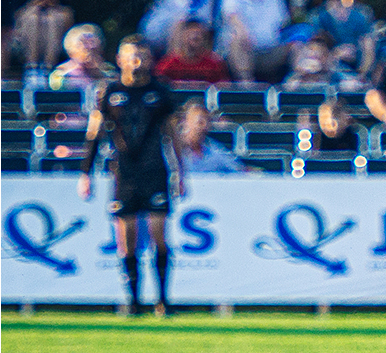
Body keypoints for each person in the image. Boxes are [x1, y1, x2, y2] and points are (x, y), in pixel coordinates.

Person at [77, 37, 182, 317]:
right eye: (131, 56)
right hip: (124, 172)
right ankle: (133, 300)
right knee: (127, 238)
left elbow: (172, 135)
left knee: (159, 234)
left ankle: (163, 299)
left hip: (154, 170)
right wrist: (85, 174)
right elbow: (95, 133)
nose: (137, 61)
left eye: (142, 56)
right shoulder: (109, 91)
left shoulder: (160, 91)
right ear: (120, 59)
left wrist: (180, 172)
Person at [217, 0, 291, 84]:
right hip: (243, 51)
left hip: (269, 50)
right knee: (238, 39)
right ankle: (247, 85)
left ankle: (295, 83)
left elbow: (282, 23)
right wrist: (243, 32)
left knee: (297, 45)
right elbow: (233, 18)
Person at [174, 99, 246, 174]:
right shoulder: (174, 150)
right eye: (200, 122)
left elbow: (238, 169)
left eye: (207, 122)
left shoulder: (214, 150)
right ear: (185, 122)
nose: (204, 127)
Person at [154, 19, 229, 86]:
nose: (195, 35)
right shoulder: (168, 64)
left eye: (199, 33)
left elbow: (223, 87)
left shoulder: (214, 65)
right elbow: (159, 85)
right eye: (191, 33)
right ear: (182, 36)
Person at [47, 23, 115, 94]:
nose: (90, 47)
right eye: (84, 43)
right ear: (71, 49)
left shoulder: (108, 75)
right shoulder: (62, 76)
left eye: (93, 42)